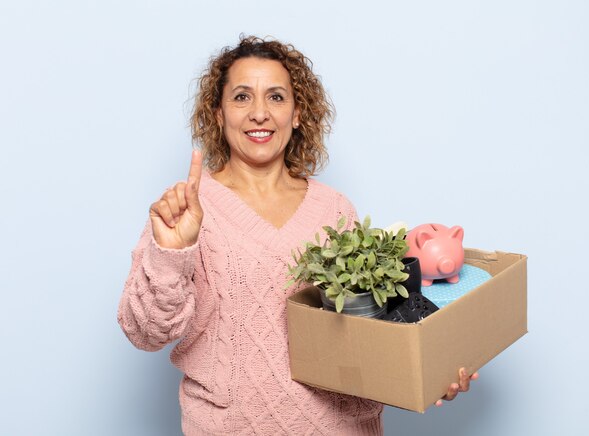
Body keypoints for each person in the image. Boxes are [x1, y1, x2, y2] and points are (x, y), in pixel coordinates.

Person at [118, 35, 477, 435]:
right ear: (218, 114)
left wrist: (429, 371)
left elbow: (374, 330)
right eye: (241, 97)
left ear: (298, 113)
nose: (259, 113)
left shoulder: (335, 210)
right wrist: (173, 251)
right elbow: (145, 333)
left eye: (275, 97)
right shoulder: (188, 210)